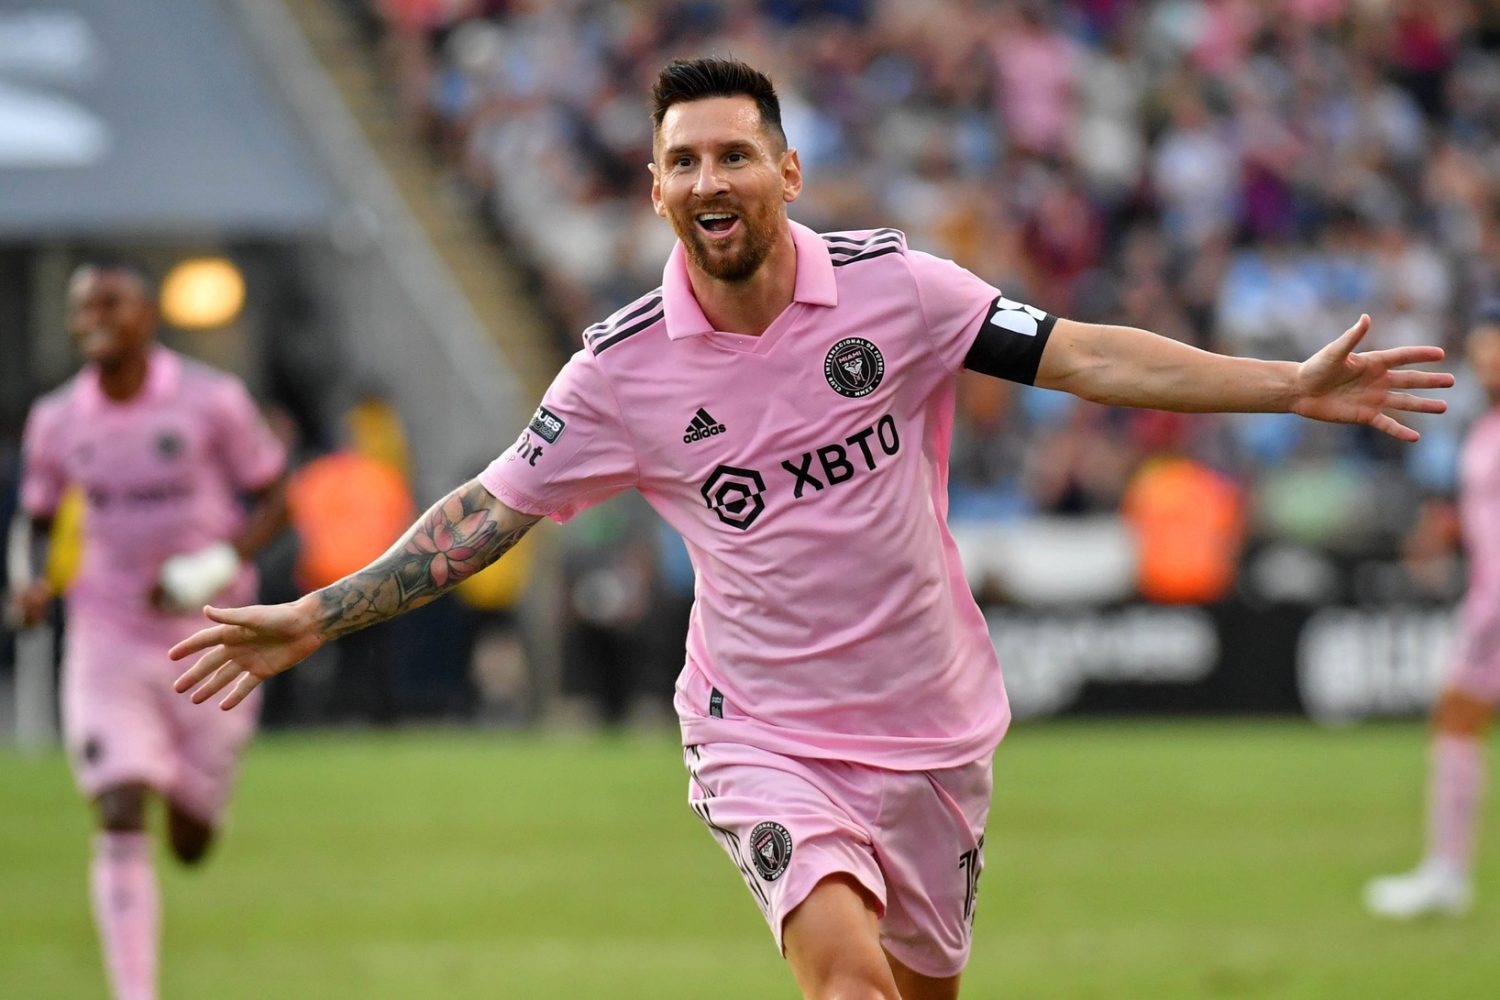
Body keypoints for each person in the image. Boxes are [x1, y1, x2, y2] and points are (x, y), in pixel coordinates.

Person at [170, 59, 1452, 999]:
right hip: (762, 731)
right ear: (657, 192)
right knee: (845, 985)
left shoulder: (900, 291)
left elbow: (1082, 353)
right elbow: (486, 510)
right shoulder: (620, 373)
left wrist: (1283, 384)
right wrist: (317, 610)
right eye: (682, 161)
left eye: (733, 154)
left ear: (787, 170)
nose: (707, 179)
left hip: (934, 722)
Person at [7, 261, 288, 1000]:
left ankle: (197, 799)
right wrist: (31, 581)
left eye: (110, 303)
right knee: (120, 807)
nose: (93, 317)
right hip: (108, 638)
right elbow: (37, 522)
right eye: (81, 306)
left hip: (213, 639)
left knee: (190, 842)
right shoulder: (56, 420)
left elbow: (276, 497)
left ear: (146, 317)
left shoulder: (211, 401)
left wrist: (212, 565)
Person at [1365, 312, 1500, 919]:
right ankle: (1445, 872)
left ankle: (1446, 874)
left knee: (1455, 718)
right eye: (1483, 340)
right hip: (1487, 598)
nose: (1485, 351)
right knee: (1455, 719)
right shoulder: (1484, 424)